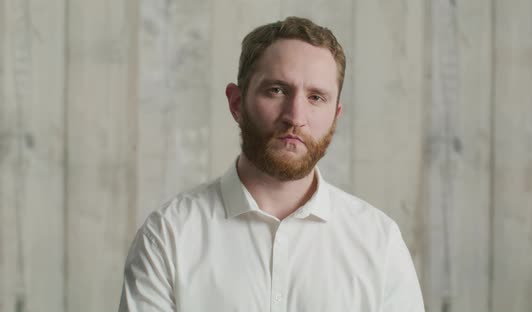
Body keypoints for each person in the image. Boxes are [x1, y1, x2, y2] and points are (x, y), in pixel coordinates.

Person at [118, 16, 424, 312]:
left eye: (316, 97)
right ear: (236, 103)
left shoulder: (379, 243)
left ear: (335, 115)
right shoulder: (168, 237)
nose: (295, 116)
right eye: (276, 90)